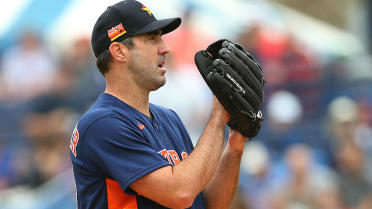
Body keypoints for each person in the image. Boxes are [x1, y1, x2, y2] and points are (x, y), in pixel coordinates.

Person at [69, 1, 251, 208]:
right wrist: (217, 119)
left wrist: (235, 147)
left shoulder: (169, 118)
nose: (165, 48)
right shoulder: (101, 124)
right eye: (152, 39)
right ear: (119, 51)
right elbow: (180, 193)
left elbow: (203, 204)